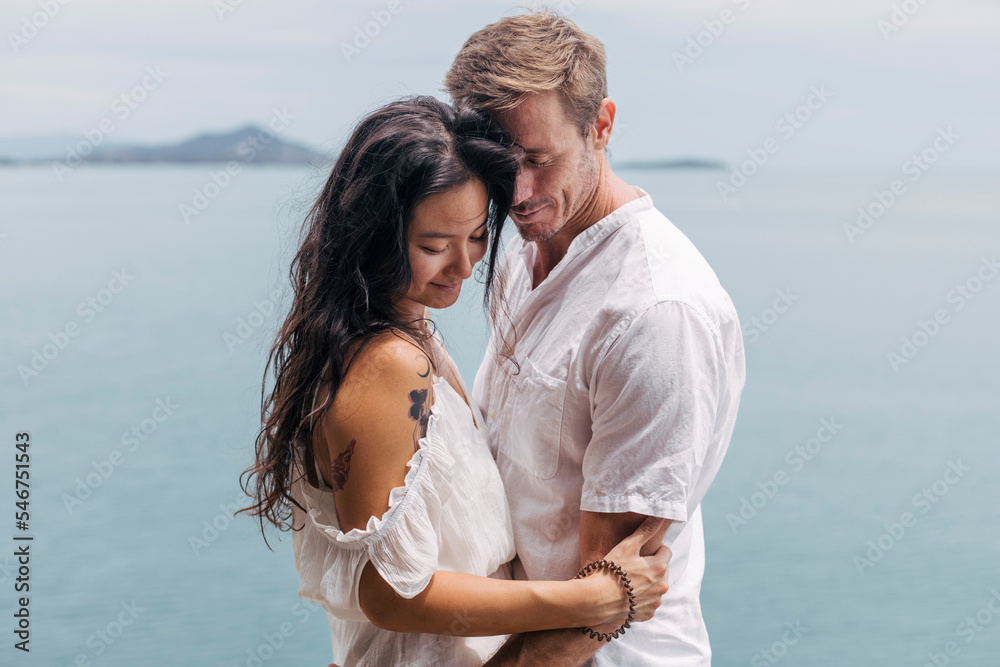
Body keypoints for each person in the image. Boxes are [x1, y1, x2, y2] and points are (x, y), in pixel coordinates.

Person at [237, 95, 671, 667]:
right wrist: (589, 600)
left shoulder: (399, 336)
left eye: (476, 238)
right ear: (372, 234)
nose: (465, 267)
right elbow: (392, 591)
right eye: (434, 246)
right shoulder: (391, 365)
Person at [445, 11, 747, 666]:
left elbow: (597, 609)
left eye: (538, 159)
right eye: (497, 165)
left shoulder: (653, 313)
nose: (516, 192)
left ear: (601, 125)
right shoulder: (524, 247)